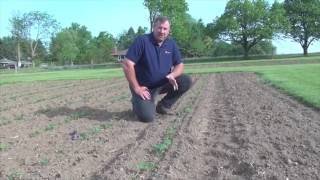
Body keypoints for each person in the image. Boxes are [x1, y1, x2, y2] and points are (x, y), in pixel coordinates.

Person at [121, 16, 192, 122]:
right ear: (154, 27)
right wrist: (136, 88)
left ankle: (163, 106)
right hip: (144, 87)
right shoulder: (142, 41)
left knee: (186, 80)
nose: (162, 31)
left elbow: (179, 65)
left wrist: (173, 75)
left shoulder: (171, 44)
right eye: (159, 28)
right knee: (147, 117)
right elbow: (127, 64)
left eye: (165, 29)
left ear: (169, 30)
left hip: (162, 84)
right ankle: (137, 102)